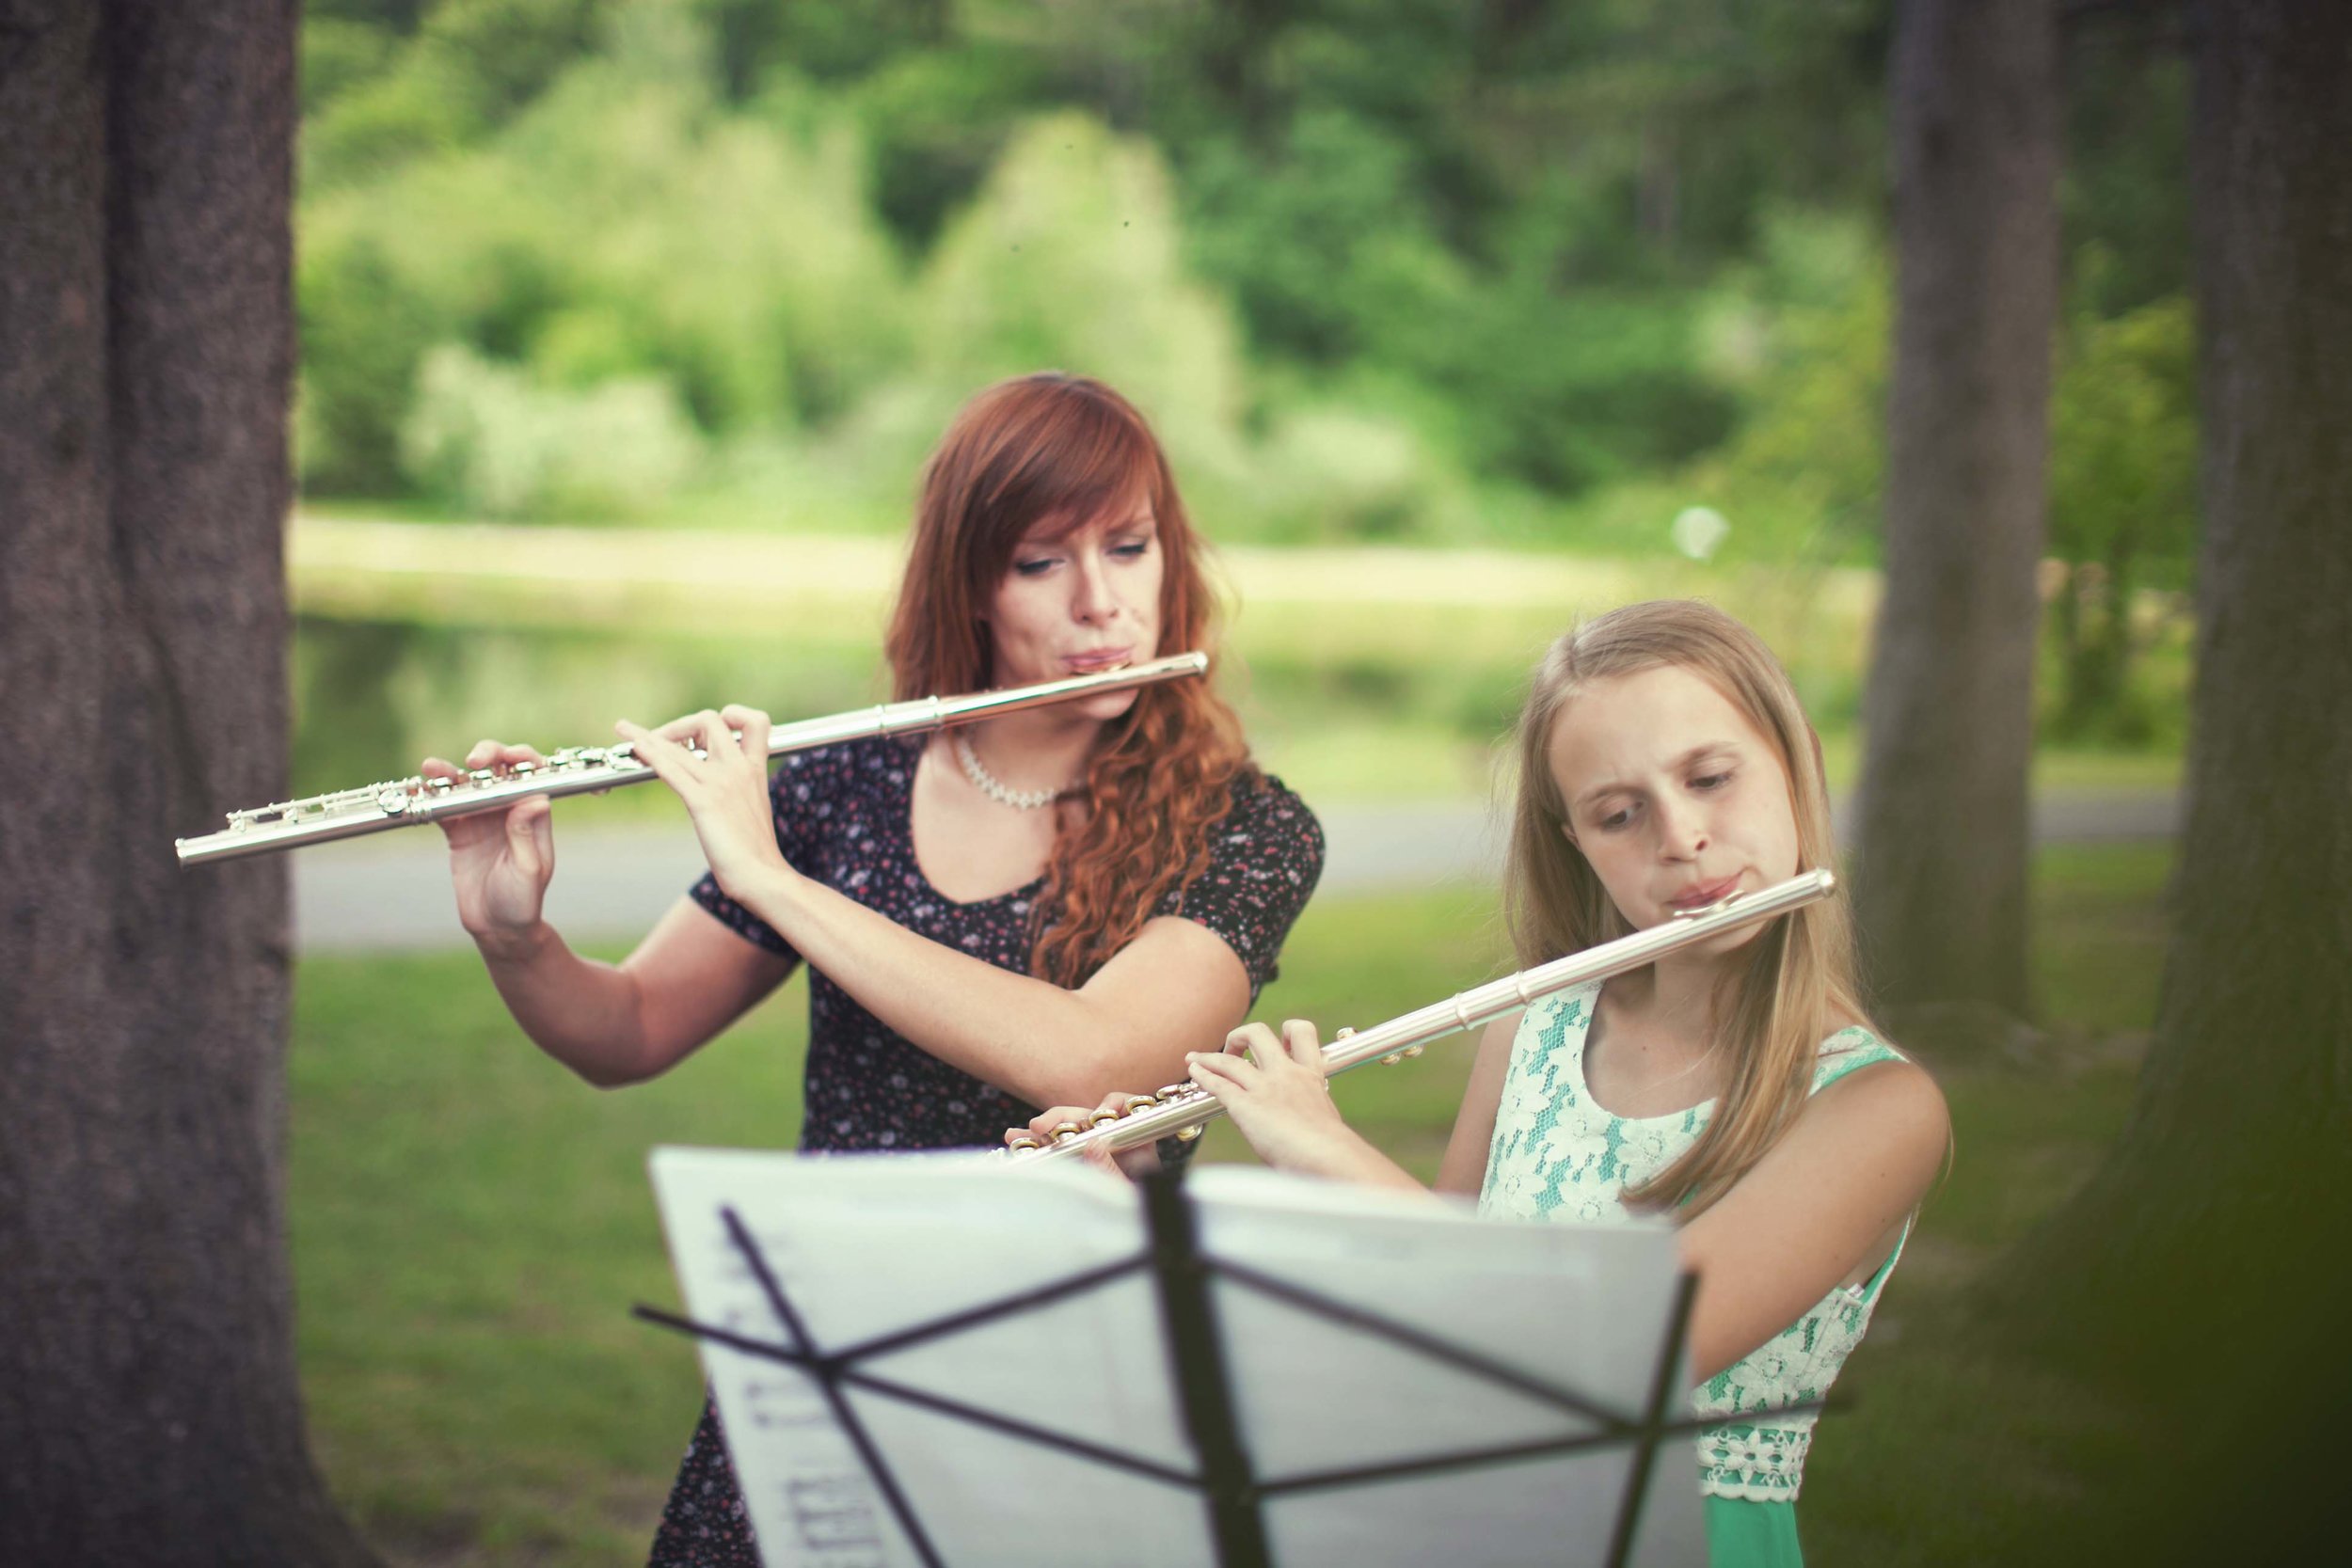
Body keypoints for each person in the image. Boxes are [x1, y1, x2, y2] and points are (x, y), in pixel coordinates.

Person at [423, 372, 1325, 1567]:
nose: (1103, 602)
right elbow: (626, 1029)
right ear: (973, 587)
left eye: (1129, 545)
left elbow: (1096, 1052)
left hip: (1074, 1379)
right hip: (831, 1350)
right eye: (1041, 562)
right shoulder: (846, 787)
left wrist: (775, 881)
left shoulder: (1247, 827)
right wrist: (513, 935)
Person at [1017, 599, 1946, 1568]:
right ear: (1575, 840)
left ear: (1794, 764)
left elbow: (1625, 1355)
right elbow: (1433, 1326)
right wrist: (1146, 1211)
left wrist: (1325, 1146)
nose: (1680, 837)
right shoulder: (1537, 1033)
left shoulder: (1874, 1107)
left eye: (1710, 777)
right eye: (1618, 812)